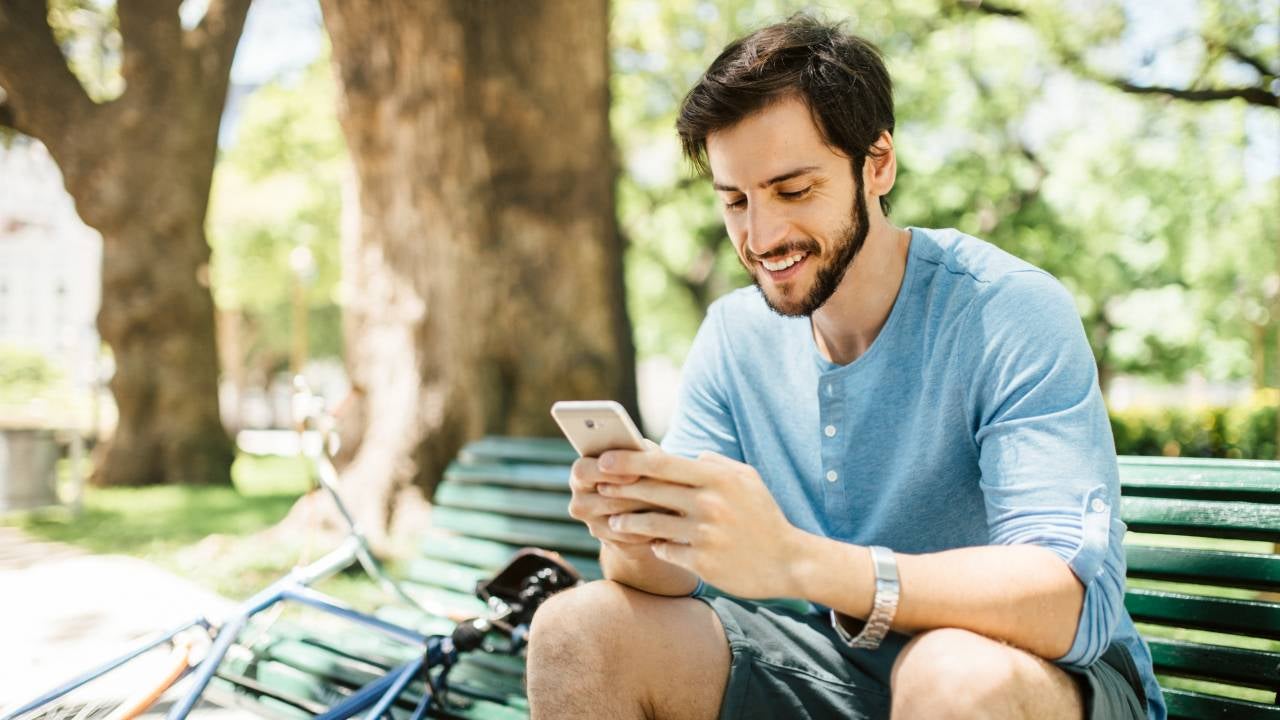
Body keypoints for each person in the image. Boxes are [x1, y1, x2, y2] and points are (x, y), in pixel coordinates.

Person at [526, 14, 1163, 720]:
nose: (760, 237)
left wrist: (802, 562)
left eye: (793, 191)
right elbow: (671, 581)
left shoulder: (1006, 311)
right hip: (832, 671)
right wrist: (637, 529)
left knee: (949, 674)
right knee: (578, 628)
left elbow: (1069, 603)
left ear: (878, 163)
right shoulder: (733, 336)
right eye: (735, 200)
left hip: (1030, 681)